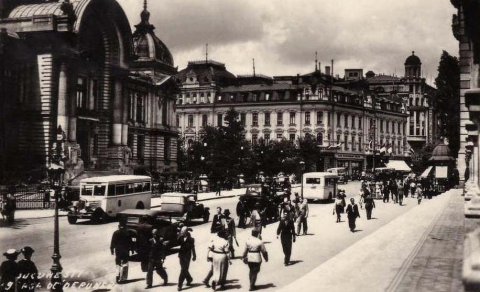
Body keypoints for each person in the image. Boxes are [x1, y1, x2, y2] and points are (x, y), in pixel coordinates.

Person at [177, 227, 196, 291]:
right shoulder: (181, 238)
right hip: (181, 255)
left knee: (183, 270)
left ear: (187, 233)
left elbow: (193, 248)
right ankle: (189, 279)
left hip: (187, 256)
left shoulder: (191, 239)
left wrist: (194, 255)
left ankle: (180, 285)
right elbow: (177, 242)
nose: (183, 233)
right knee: (184, 269)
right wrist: (180, 235)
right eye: (182, 232)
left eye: (184, 232)